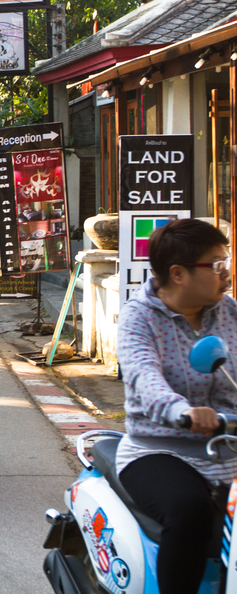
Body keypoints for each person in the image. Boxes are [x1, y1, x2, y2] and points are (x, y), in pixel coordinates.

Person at [117, 218, 237, 594]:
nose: (226, 273)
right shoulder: (139, 318)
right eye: (217, 265)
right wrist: (181, 411)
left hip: (229, 445)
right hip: (161, 449)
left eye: (226, 262)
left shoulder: (229, 313)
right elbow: (143, 376)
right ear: (179, 273)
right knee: (190, 512)